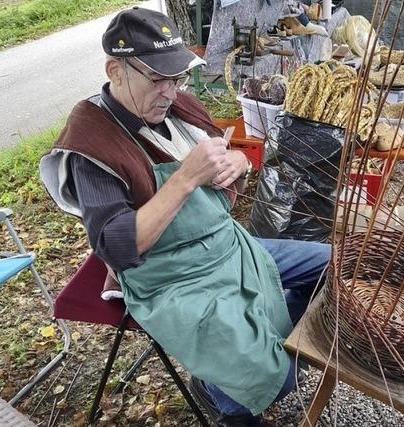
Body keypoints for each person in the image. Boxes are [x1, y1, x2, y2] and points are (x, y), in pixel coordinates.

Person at [39, 7, 330, 426]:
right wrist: (184, 179)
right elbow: (117, 246)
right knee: (275, 376)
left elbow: (229, 186)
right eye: (158, 79)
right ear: (116, 70)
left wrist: (238, 167)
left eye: (176, 78)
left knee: (333, 265)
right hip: (168, 275)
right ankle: (228, 397)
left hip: (225, 245)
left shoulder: (180, 108)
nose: (171, 92)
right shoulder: (92, 141)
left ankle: (248, 361)